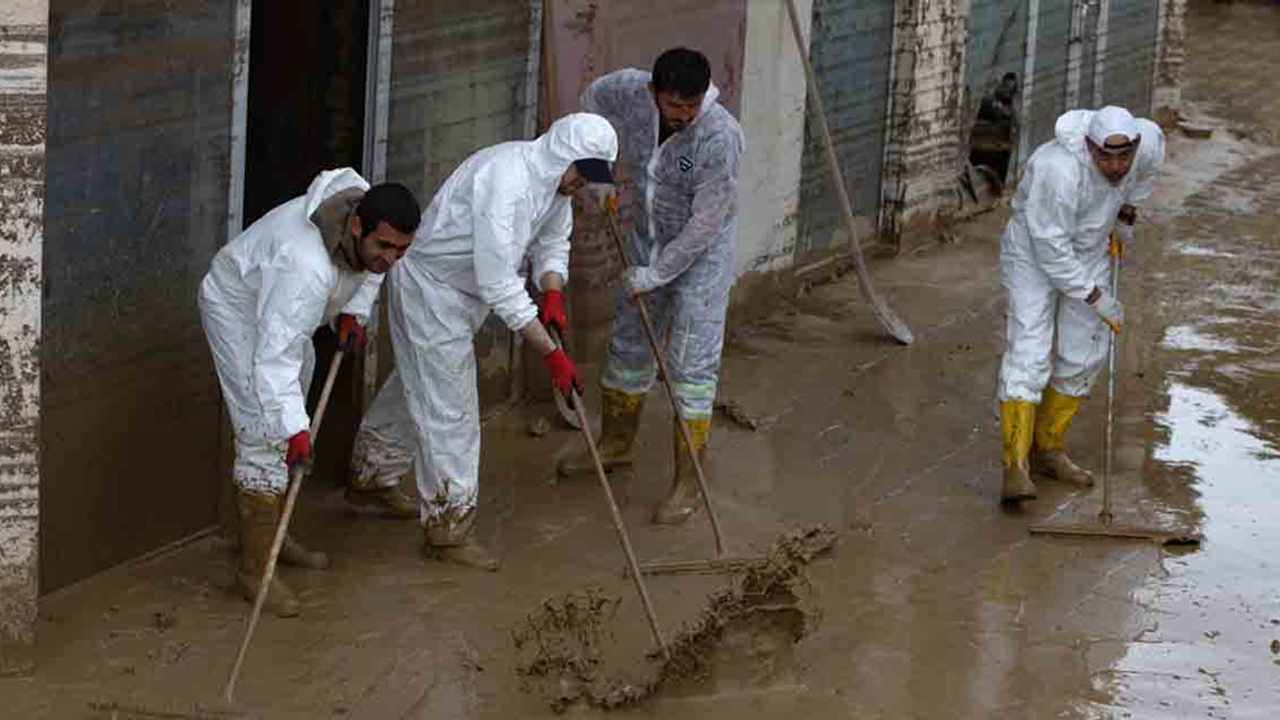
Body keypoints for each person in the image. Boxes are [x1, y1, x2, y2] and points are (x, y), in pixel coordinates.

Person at [349, 113, 619, 570]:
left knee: (420, 384)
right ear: (562, 157)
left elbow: (554, 241)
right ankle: (448, 531)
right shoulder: (507, 182)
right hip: (433, 289)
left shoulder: (554, 186)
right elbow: (498, 284)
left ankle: (371, 475)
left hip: (463, 291)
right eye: (582, 175)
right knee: (450, 410)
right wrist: (552, 353)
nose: (582, 187)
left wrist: (552, 289)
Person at [199, 169, 422, 616]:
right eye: (384, 247)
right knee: (265, 431)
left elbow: (372, 270)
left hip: (284, 314)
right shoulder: (303, 266)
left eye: (402, 249)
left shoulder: (366, 221)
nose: (391, 259)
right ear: (357, 226)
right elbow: (273, 360)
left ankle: (273, 538)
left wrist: (353, 312)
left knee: (288, 411)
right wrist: (295, 434)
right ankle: (254, 571)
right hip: (240, 312)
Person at [556, 48, 744, 526]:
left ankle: (688, 482)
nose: (682, 116)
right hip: (646, 239)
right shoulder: (626, 90)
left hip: (700, 258)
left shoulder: (719, 137)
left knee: (690, 366)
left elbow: (707, 222)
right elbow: (589, 104)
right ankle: (616, 444)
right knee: (628, 343)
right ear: (652, 93)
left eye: (691, 106)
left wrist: (660, 274)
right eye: (673, 106)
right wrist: (598, 173)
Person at [998, 106, 1164, 504]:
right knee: (1030, 348)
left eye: (1124, 156)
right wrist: (1095, 297)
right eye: (1105, 157)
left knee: (1086, 351)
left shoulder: (1148, 144)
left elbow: (1145, 173)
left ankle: (1048, 447)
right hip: (1034, 254)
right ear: (1088, 145)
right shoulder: (1059, 171)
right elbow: (1050, 249)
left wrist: (1126, 212)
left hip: (1089, 250)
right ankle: (1015, 467)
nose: (1115, 165)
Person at [969, 73, 1020, 187]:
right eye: (1006, 88)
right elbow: (998, 113)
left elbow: (1015, 124)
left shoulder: (1009, 104)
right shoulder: (990, 100)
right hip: (984, 148)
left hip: (999, 151)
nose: (1008, 92)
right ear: (1001, 85)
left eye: (1011, 90)